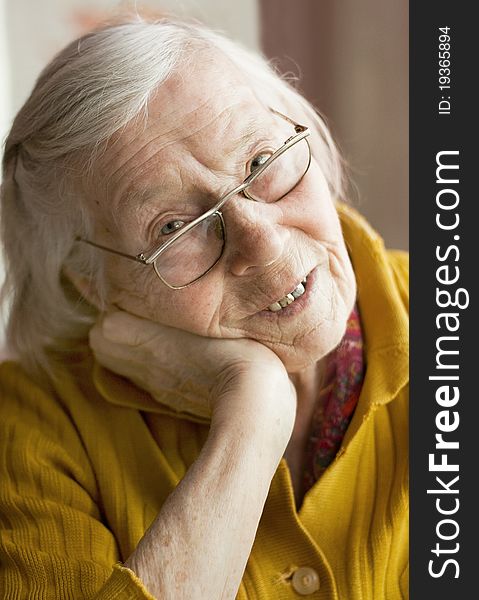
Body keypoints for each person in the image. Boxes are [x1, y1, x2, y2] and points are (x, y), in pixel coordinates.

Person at [0, 16, 409, 600]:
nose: (261, 241)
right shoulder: (33, 426)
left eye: (261, 164)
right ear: (95, 285)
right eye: (176, 226)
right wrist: (251, 418)